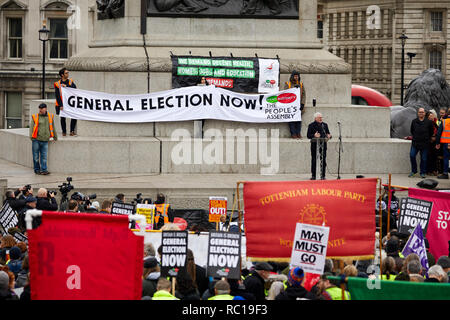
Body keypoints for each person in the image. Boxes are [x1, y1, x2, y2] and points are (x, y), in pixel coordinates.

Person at [29, 103, 57, 175]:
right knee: (36, 157)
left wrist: (55, 136)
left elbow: (53, 127)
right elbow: (31, 127)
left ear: (46, 108)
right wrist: (31, 137)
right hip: (36, 140)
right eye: (40, 109)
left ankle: (44, 170)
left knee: (44, 157)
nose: (40, 110)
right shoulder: (35, 117)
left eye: (42, 108)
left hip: (45, 140)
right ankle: (37, 170)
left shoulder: (50, 116)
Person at [408, 107, 434, 178]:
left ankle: (422, 172)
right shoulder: (414, 121)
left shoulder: (429, 122)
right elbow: (412, 130)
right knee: (412, 155)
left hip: (425, 143)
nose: (421, 113)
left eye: (422, 112)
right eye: (420, 112)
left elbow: (431, 132)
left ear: (425, 113)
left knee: (424, 159)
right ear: (418, 113)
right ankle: (414, 171)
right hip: (415, 143)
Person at [307, 112, 331, 180]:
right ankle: (313, 175)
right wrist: (314, 135)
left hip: (323, 144)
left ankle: (323, 175)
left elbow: (327, 133)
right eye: (319, 117)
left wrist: (329, 136)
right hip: (314, 145)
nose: (321, 118)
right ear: (315, 118)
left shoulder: (325, 125)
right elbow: (308, 135)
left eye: (321, 117)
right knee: (314, 159)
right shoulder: (311, 125)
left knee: (323, 159)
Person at [54, 67, 77, 136]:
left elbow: (75, 89)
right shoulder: (57, 84)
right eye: (66, 73)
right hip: (62, 103)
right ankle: (64, 132)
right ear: (62, 75)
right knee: (63, 117)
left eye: (68, 73)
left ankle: (72, 131)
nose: (68, 74)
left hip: (70, 103)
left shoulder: (70, 81)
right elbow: (57, 95)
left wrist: (66, 86)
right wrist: (61, 105)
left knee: (74, 116)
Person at [284, 70, 306, 139]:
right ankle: (293, 134)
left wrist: (302, 104)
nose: (296, 77)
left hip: (299, 105)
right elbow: (285, 94)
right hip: (291, 105)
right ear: (292, 76)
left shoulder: (301, 84)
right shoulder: (288, 84)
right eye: (295, 76)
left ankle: (298, 133)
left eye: (297, 76)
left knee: (298, 120)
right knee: (291, 120)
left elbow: (304, 95)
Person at [436, 108, 450, 179]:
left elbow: (438, 133)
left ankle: (445, 173)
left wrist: (437, 143)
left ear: (447, 114)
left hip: (446, 143)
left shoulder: (444, 121)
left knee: (446, 158)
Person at [426, 110, 439, 175]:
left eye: (432, 116)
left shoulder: (435, 123)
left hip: (435, 142)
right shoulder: (426, 123)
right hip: (428, 142)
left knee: (435, 156)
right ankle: (429, 170)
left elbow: (438, 131)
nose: (432, 117)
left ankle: (434, 170)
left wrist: (435, 137)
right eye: (430, 116)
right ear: (427, 117)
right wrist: (431, 137)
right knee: (429, 156)